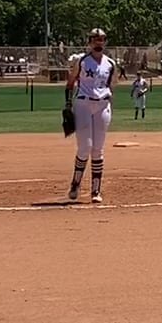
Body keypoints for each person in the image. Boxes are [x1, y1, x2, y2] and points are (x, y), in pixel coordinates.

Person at [67, 27, 115, 204]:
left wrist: (109, 103)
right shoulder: (82, 61)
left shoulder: (110, 63)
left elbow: (112, 85)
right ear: (89, 43)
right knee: (85, 147)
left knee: (98, 149)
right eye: (95, 39)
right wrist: (67, 105)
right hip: (83, 104)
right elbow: (70, 83)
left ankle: (95, 190)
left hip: (102, 105)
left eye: (101, 39)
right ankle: (75, 184)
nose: (98, 42)